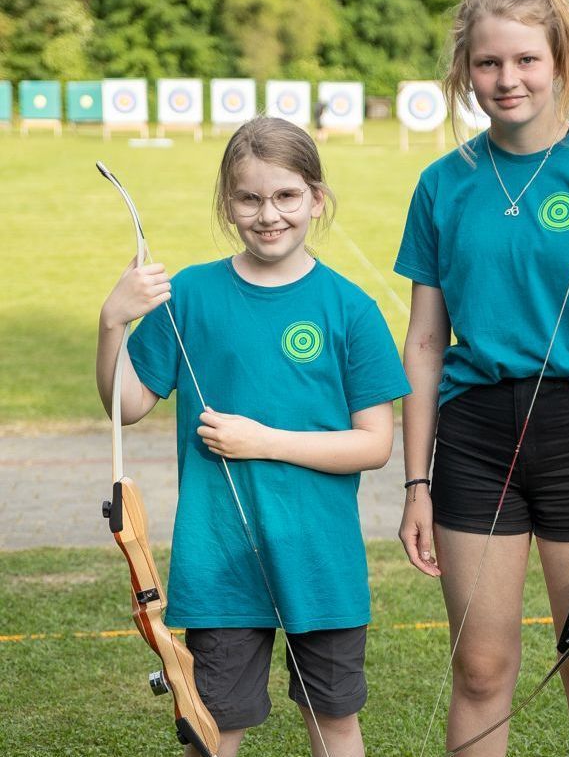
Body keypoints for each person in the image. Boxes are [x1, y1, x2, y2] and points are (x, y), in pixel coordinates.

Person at [394, 0, 569, 757]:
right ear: (464, 70)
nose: (506, 78)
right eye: (487, 63)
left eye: (524, 60)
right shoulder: (442, 183)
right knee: (479, 670)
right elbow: (424, 342)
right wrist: (415, 483)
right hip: (473, 440)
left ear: (558, 61)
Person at [96, 116, 410, 757]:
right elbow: (124, 406)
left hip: (320, 560)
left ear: (316, 198)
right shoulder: (191, 293)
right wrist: (112, 322)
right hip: (220, 560)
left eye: (286, 195)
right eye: (249, 198)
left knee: (335, 720)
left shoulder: (351, 308)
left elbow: (374, 444)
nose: (269, 215)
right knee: (214, 728)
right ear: (227, 203)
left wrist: (265, 441)